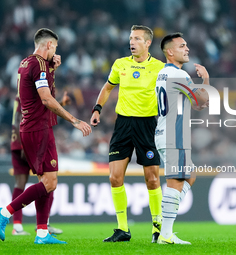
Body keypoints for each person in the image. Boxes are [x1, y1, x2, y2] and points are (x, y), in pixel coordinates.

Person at [0, 28, 92, 244]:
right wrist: (74, 120)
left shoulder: (26, 62)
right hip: (38, 129)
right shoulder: (39, 64)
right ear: (49, 45)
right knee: (50, 182)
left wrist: (52, 69)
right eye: (55, 46)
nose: (55, 51)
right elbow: (46, 99)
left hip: (31, 127)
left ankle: (42, 233)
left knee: (45, 181)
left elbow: (40, 93)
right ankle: (5, 213)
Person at [90, 25, 164, 243]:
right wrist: (97, 109)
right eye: (131, 38)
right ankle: (123, 229)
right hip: (122, 125)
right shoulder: (120, 64)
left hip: (147, 126)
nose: (132, 42)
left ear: (148, 43)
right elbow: (107, 87)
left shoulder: (159, 68)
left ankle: (158, 228)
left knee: (152, 179)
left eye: (137, 39)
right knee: (114, 177)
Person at [155, 32, 209, 244]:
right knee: (175, 183)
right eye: (182, 46)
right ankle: (165, 233)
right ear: (170, 52)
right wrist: (205, 78)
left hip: (166, 132)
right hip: (173, 135)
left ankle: (167, 219)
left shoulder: (163, 74)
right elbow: (200, 101)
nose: (187, 49)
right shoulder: (179, 75)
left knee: (190, 176)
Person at [10, 92, 70, 236]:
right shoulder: (28, 95)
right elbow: (21, 117)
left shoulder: (23, 95)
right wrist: (23, 144)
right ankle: (43, 225)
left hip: (17, 142)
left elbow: (41, 111)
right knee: (48, 182)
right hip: (28, 141)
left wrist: (60, 103)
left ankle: (18, 226)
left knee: (22, 183)